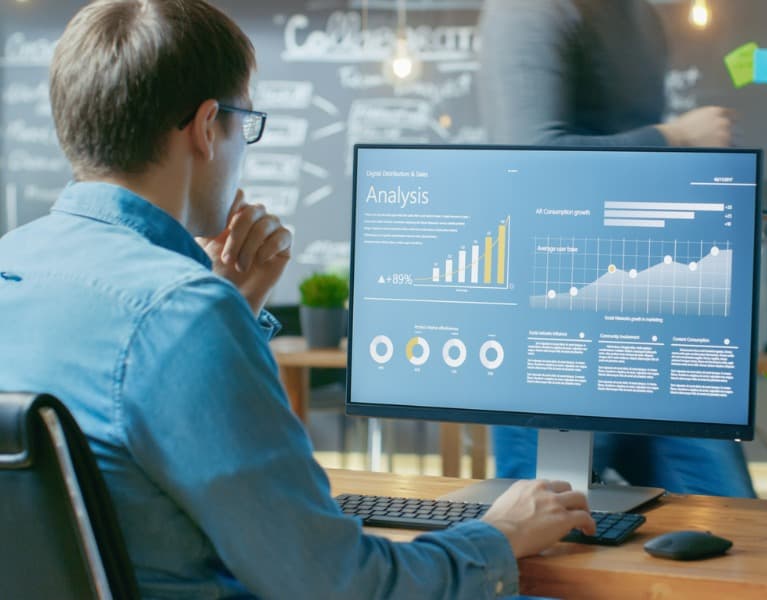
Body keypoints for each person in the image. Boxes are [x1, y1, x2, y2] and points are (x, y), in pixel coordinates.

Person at [0, 1, 595, 598]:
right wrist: (499, 532)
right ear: (208, 128)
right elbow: (341, 585)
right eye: (245, 125)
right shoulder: (181, 317)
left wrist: (232, 304)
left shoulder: (13, 265)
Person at [478, 0, 756, 498]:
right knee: (545, 541)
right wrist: (677, 137)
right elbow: (533, 161)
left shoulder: (640, 18)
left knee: (731, 524)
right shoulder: (531, 11)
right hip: (552, 336)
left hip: (651, 319)